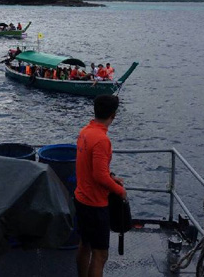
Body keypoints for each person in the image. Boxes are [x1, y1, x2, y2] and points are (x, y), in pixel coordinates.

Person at [74, 95, 126, 277]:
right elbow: (99, 175)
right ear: (113, 115)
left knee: (85, 244)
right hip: (95, 205)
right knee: (100, 253)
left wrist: (111, 177)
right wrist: (120, 191)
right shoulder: (102, 140)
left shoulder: (85, 132)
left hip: (81, 199)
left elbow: (93, 168)